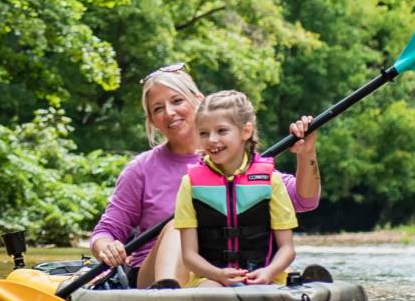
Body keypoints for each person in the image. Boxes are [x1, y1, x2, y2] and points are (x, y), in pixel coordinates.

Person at [88, 63, 320, 287]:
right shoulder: (140, 169)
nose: (169, 112)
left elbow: (304, 200)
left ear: (199, 101)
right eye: (158, 108)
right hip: (156, 278)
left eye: (177, 101)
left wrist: (306, 154)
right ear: (152, 121)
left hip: (225, 272)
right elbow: (105, 232)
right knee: (175, 225)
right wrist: (107, 246)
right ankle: (168, 294)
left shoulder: (238, 160)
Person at [175, 89, 296, 286]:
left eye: (222, 131)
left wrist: (269, 272)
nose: (212, 140)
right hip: (212, 278)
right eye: (204, 133)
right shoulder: (189, 183)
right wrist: (218, 275)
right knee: (210, 290)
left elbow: (287, 249)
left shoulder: (271, 181)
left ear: (245, 132)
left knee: (268, 291)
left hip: (265, 277)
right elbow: (189, 255)